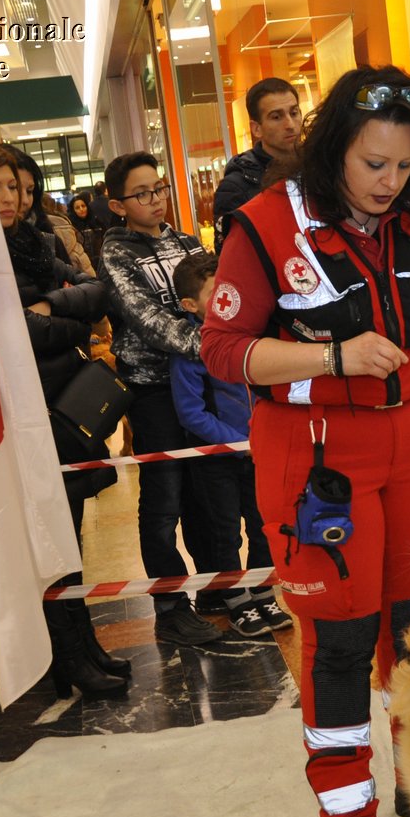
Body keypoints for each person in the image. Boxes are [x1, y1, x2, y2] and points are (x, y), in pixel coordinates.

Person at [201, 66, 410, 817]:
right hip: (319, 453)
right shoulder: (262, 225)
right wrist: (332, 355)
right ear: (334, 149)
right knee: (337, 643)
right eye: (374, 165)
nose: (389, 183)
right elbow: (223, 350)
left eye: (404, 166)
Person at [0, 146, 129, 699]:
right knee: (47, 539)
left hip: (64, 408)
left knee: (70, 538)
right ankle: (64, 655)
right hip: (24, 414)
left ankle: (82, 644)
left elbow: (100, 292)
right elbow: (14, 333)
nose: (9, 198)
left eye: (18, 188)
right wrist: (69, 321)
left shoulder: (39, 243)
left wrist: (50, 306)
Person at [99, 151, 224, 649]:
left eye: (160, 188)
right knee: (164, 496)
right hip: (152, 389)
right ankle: (171, 607)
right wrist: (216, 348)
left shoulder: (185, 241)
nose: (155, 199)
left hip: (200, 383)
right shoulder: (115, 252)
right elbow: (147, 320)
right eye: (142, 193)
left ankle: (217, 586)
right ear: (117, 204)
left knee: (206, 491)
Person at [168, 250, 289, 637]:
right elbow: (192, 412)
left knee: (261, 524)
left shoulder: (249, 331)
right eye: (213, 291)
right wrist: (238, 441)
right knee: (224, 530)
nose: (224, 297)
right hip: (218, 457)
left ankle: (263, 590)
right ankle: (236, 599)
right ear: (190, 304)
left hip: (258, 453)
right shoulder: (190, 350)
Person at [212, 77, 302, 249]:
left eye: (294, 113)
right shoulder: (236, 187)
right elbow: (232, 258)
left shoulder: (319, 167)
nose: (290, 124)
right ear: (256, 128)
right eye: (276, 117)